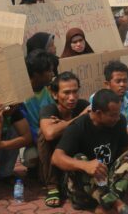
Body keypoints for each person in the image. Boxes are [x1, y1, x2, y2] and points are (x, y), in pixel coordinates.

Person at [52, 89, 128, 213]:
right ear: (99, 113)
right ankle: (117, 203)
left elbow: (123, 150)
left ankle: (104, 205)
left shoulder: (119, 121)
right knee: (79, 158)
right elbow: (56, 158)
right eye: (112, 115)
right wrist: (86, 165)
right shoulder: (78, 127)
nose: (117, 118)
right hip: (82, 190)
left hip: (107, 181)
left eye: (118, 113)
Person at [38, 72, 89, 208]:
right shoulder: (49, 109)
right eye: (66, 93)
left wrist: (63, 125)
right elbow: (49, 134)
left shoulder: (83, 105)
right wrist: (79, 119)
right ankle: (52, 186)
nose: (72, 98)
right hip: (54, 158)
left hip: (76, 155)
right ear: (55, 95)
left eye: (75, 92)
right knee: (43, 136)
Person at [22, 49, 57, 168]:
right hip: (34, 139)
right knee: (31, 157)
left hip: (50, 133)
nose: (52, 74)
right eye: (49, 71)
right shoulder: (23, 97)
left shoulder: (47, 90)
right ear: (37, 74)